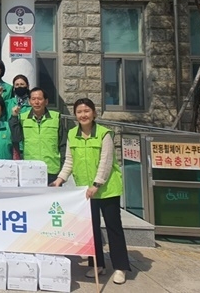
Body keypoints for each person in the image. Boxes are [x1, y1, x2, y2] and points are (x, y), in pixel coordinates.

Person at [51, 98, 130, 285]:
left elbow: (106, 162)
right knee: (91, 229)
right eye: (79, 112)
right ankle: (97, 265)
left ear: (94, 113)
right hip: (85, 192)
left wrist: (97, 184)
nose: (83, 115)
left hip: (107, 190)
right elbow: (69, 160)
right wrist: (60, 179)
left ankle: (120, 267)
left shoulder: (104, 134)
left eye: (87, 111)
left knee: (113, 228)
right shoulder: (72, 134)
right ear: (75, 115)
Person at [10, 87, 66, 184]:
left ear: (46, 101)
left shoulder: (56, 117)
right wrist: (14, 117)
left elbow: (63, 144)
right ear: (29, 102)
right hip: (30, 169)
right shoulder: (22, 118)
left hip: (52, 169)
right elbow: (16, 138)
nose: (36, 102)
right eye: (33, 99)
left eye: (40, 99)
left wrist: (62, 168)